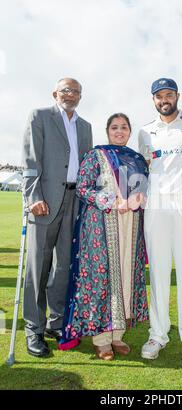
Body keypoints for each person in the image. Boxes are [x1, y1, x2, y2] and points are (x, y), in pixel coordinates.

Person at [58, 113, 149, 360]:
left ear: (130, 131)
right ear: (107, 130)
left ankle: (117, 335)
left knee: (126, 274)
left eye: (124, 127)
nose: (119, 131)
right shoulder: (95, 155)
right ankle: (101, 340)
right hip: (100, 225)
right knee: (102, 277)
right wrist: (109, 200)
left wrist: (139, 199)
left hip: (131, 223)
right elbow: (83, 188)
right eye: (115, 127)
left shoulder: (137, 159)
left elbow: (145, 189)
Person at [22, 78, 93, 357]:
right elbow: (30, 161)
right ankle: (34, 329)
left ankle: (56, 322)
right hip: (45, 202)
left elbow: (87, 166)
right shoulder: (39, 116)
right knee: (38, 267)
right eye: (66, 90)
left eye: (76, 91)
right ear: (55, 93)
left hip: (75, 202)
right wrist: (33, 196)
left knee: (64, 267)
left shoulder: (85, 126)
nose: (71, 95)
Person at [138, 78, 182, 365]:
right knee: (159, 274)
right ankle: (158, 334)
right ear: (153, 99)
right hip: (156, 207)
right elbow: (142, 171)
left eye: (169, 94)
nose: (164, 99)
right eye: (159, 96)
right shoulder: (144, 132)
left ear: (178, 95)